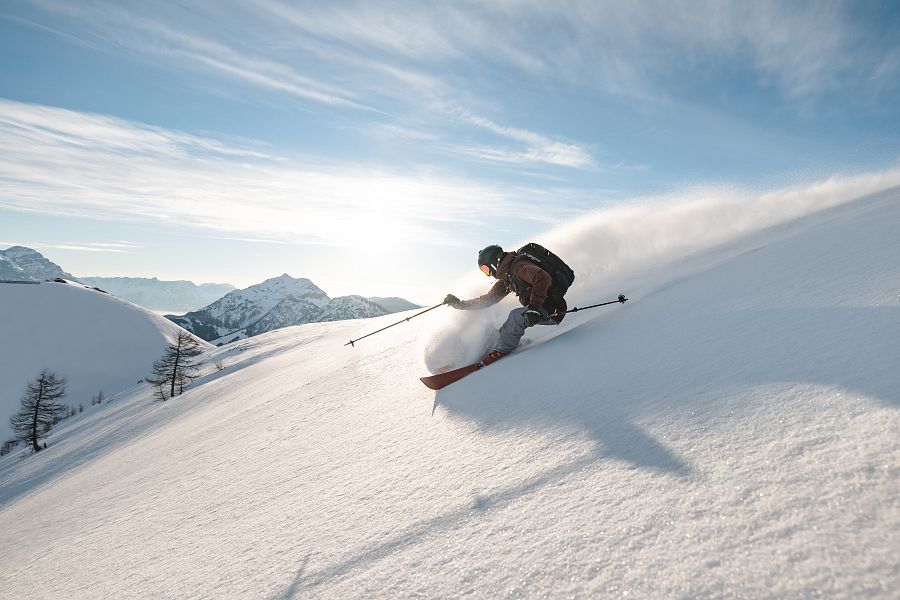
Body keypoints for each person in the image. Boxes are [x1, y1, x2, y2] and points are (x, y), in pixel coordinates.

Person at [444, 244, 568, 366]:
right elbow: (488, 300)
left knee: (515, 316)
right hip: (538, 309)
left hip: (553, 309)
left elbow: (542, 277)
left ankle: (502, 350)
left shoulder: (519, 267)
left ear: (494, 263)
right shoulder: (508, 279)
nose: (488, 273)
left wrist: (534, 309)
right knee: (504, 328)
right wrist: (459, 304)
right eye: (484, 271)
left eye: (486, 269)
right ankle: (503, 345)